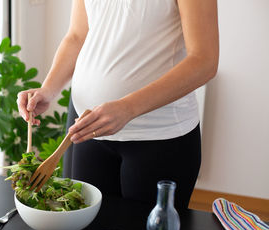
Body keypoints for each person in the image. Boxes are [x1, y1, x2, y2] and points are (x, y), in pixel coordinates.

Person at [17, 0, 219, 210]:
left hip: (158, 138)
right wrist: (48, 89)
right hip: (85, 129)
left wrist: (128, 108)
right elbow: (78, 35)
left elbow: (204, 60)